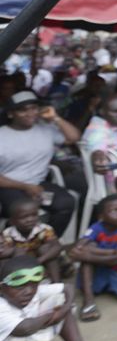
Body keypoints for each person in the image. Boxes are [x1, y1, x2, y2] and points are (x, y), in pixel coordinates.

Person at [0, 92, 80, 237]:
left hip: (38, 184)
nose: (30, 113)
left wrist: (55, 118)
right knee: (24, 211)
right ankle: (15, 245)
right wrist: (25, 187)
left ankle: (46, 242)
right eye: (23, 110)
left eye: (34, 108)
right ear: (11, 114)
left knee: (66, 203)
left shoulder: (45, 129)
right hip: (8, 187)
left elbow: (73, 137)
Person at [0, 255, 113, 341]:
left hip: (24, 338)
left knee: (59, 299)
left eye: (34, 285)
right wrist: (53, 315)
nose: (29, 291)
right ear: (2, 288)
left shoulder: (34, 291)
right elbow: (25, 328)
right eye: (20, 286)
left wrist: (64, 308)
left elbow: (68, 288)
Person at [69, 194, 117, 322]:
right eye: (114, 210)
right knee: (89, 246)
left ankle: (108, 286)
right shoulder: (96, 227)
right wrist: (80, 250)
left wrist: (88, 255)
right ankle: (88, 301)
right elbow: (80, 245)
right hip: (96, 271)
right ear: (101, 216)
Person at [0, 199, 63, 282]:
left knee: (46, 248)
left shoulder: (44, 229)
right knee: (9, 255)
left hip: (42, 261)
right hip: (18, 264)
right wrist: (16, 251)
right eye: (24, 217)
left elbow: (57, 247)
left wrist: (39, 260)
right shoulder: (8, 233)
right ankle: (8, 282)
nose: (30, 219)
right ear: (12, 221)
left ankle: (56, 284)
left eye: (34, 215)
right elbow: (3, 252)